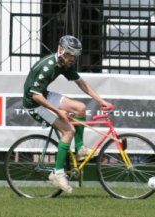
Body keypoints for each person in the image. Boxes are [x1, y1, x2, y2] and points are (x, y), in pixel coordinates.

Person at [22, 35, 113, 193]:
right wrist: (58, 111)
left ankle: (80, 149)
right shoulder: (48, 66)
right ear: (61, 50)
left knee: (80, 108)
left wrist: (101, 100)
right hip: (34, 104)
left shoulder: (65, 62)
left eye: (75, 56)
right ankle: (57, 173)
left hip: (44, 95)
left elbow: (81, 83)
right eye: (70, 55)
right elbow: (35, 96)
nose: (73, 59)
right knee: (68, 130)